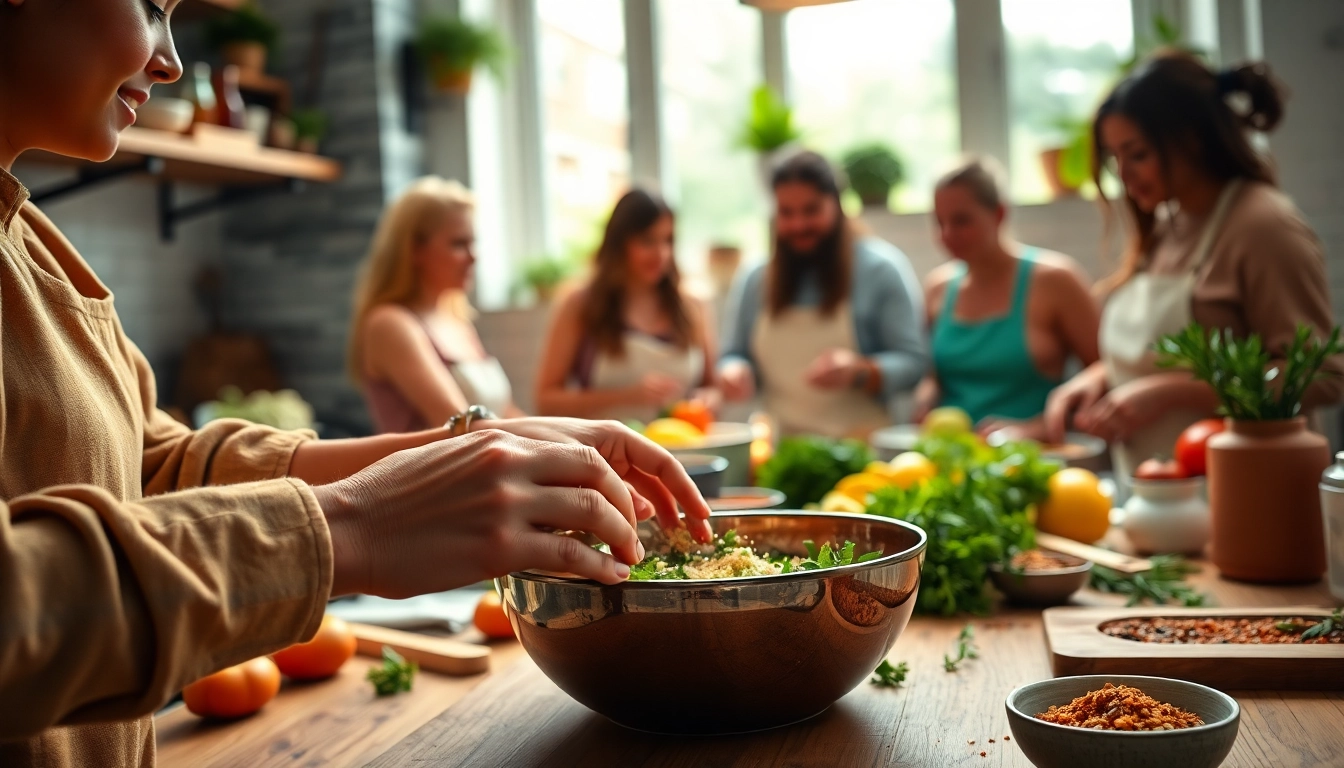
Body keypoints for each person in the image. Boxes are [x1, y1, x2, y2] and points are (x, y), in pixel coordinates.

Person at [0, 3, 710, 765]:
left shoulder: (35, 242)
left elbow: (152, 467)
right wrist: (349, 528)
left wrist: (477, 442)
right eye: (149, 5)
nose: (172, 60)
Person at [1045, 50, 1344, 479]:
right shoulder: (1168, 222)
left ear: (1191, 138)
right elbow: (1160, 352)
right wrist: (1101, 377)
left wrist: (1171, 393)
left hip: (1250, 492)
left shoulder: (1263, 226)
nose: (1124, 175)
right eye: (1115, 159)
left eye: (1138, 154)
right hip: (1157, 497)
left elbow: (1323, 376)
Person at [718, 150, 927, 438]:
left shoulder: (880, 271)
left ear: (837, 205)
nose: (798, 225)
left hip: (862, 448)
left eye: (811, 210)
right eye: (787, 213)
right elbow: (733, 354)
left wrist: (860, 370)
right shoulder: (756, 279)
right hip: (782, 450)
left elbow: (914, 363)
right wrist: (733, 370)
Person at [916, 158, 1100, 437]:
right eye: (940, 222)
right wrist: (925, 396)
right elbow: (935, 378)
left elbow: (1104, 373)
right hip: (952, 460)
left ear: (999, 213)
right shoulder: (937, 288)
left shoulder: (1056, 280)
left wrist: (1035, 429)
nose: (947, 235)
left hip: (1036, 459)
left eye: (961, 220)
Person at [350, 176, 524, 433]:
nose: (473, 256)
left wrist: (570, 438)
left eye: (473, 242)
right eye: (458, 244)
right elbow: (462, 426)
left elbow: (507, 414)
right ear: (414, 249)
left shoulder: (456, 321)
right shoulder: (390, 324)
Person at [535, 189, 718, 423]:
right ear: (619, 242)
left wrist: (708, 400)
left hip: (687, 453)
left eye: (668, 240)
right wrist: (625, 397)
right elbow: (545, 400)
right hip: (606, 456)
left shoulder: (693, 305)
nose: (661, 253)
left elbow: (712, 387)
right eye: (647, 241)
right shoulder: (580, 305)